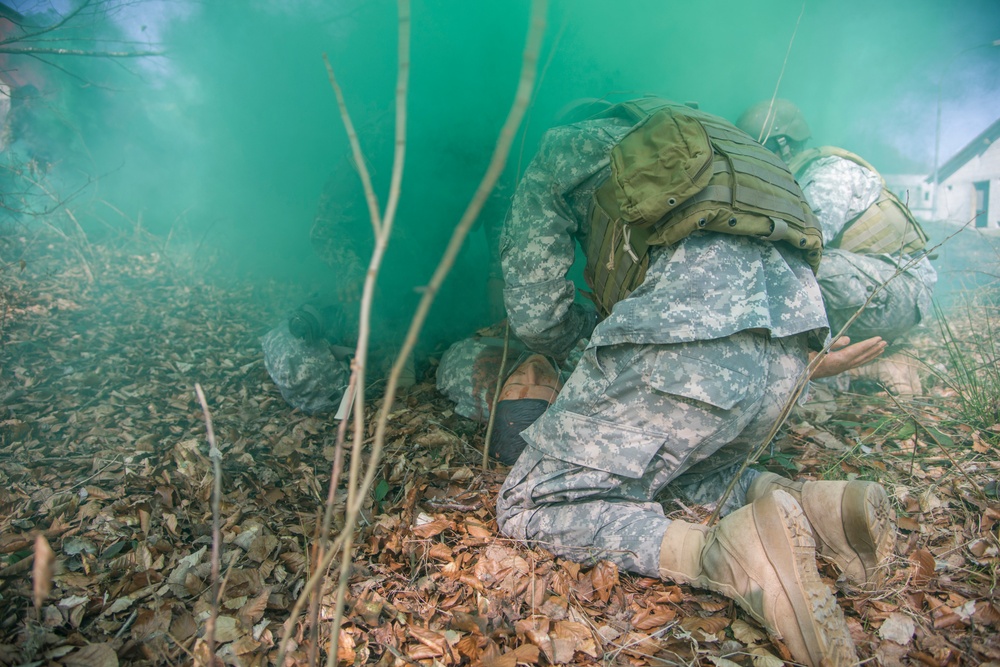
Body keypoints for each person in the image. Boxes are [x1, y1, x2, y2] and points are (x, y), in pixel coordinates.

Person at [439, 97, 895, 666]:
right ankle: (815, 504)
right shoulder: (723, 144)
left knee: (533, 503)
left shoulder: (563, 147)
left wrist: (594, 345)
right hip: (789, 353)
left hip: (690, 348)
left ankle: (720, 556)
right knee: (671, 467)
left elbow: (537, 314)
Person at [737, 99, 936, 394]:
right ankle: (850, 371)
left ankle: (815, 371)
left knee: (790, 269)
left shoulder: (827, 173)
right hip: (877, 288)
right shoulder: (797, 179)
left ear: (782, 143)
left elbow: (805, 241)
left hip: (903, 292)